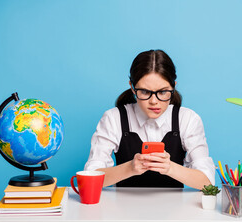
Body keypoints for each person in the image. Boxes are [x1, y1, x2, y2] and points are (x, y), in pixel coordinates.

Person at [84, 49, 215, 189]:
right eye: (145, 92)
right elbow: (89, 178)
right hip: (123, 208)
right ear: (132, 88)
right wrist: (130, 168)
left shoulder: (188, 119)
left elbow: (207, 182)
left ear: (174, 87)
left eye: (163, 92)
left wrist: (170, 168)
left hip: (175, 209)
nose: (154, 101)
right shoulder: (113, 118)